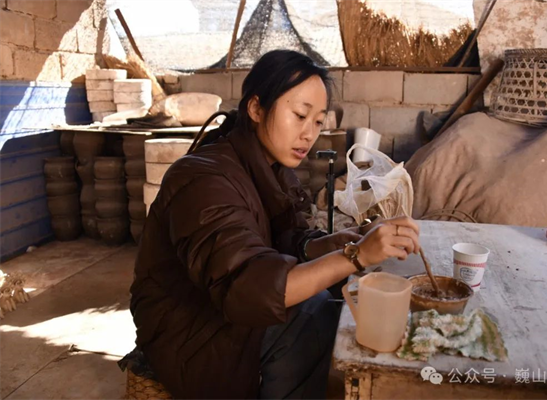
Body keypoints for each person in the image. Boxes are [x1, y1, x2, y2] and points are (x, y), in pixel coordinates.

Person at [127, 50, 421, 400]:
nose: (309, 134)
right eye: (299, 115)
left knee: (338, 300)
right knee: (312, 317)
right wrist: (356, 256)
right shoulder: (202, 179)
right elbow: (246, 287)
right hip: (188, 329)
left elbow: (285, 237)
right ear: (256, 109)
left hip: (223, 307)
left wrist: (333, 243)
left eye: (317, 121)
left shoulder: (269, 168)